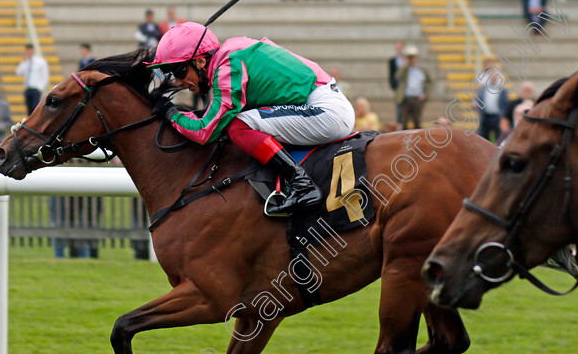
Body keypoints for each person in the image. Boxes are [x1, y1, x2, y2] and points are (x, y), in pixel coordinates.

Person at [148, 22, 354, 216]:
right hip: (323, 104)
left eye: (180, 71)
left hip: (326, 111)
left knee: (238, 126)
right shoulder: (231, 54)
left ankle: (302, 184)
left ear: (201, 61)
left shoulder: (229, 66)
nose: (179, 82)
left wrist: (171, 113)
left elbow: (205, 132)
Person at [395, 45, 432, 130]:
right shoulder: (405, 70)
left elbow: (430, 83)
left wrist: (426, 94)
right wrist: (405, 64)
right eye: (409, 57)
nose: (411, 59)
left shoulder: (422, 70)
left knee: (417, 121)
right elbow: (398, 76)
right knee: (404, 122)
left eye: (413, 57)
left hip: (417, 99)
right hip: (405, 99)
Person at [476, 61, 508, 142]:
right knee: (483, 138)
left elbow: (505, 103)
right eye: (491, 77)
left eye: (494, 77)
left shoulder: (502, 90)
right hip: (485, 116)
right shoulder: (483, 90)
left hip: (497, 116)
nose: (493, 79)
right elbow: (478, 99)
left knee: (499, 138)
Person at [15, 44, 49, 116]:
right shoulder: (26, 62)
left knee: (35, 108)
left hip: (36, 88)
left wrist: (40, 87)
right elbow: (18, 72)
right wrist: (24, 61)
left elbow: (45, 76)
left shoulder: (40, 62)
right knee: (29, 108)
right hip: (28, 88)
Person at [387, 41, 405, 129]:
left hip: (407, 89)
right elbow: (392, 75)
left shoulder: (407, 60)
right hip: (398, 88)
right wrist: (394, 86)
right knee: (399, 109)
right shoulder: (392, 61)